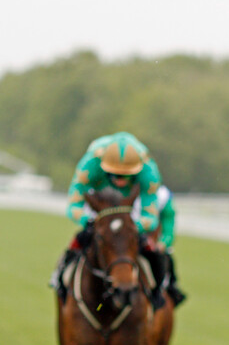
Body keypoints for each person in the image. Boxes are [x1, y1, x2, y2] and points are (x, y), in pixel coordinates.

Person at [49, 132, 185, 308]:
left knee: (154, 250)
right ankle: (60, 280)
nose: (120, 181)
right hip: (100, 203)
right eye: (115, 175)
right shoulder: (90, 165)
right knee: (80, 240)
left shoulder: (148, 171)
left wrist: (130, 228)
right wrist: (87, 221)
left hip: (131, 209)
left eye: (126, 176)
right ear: (105, 168)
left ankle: (162, 291)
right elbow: (73, 206)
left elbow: (150, 217)